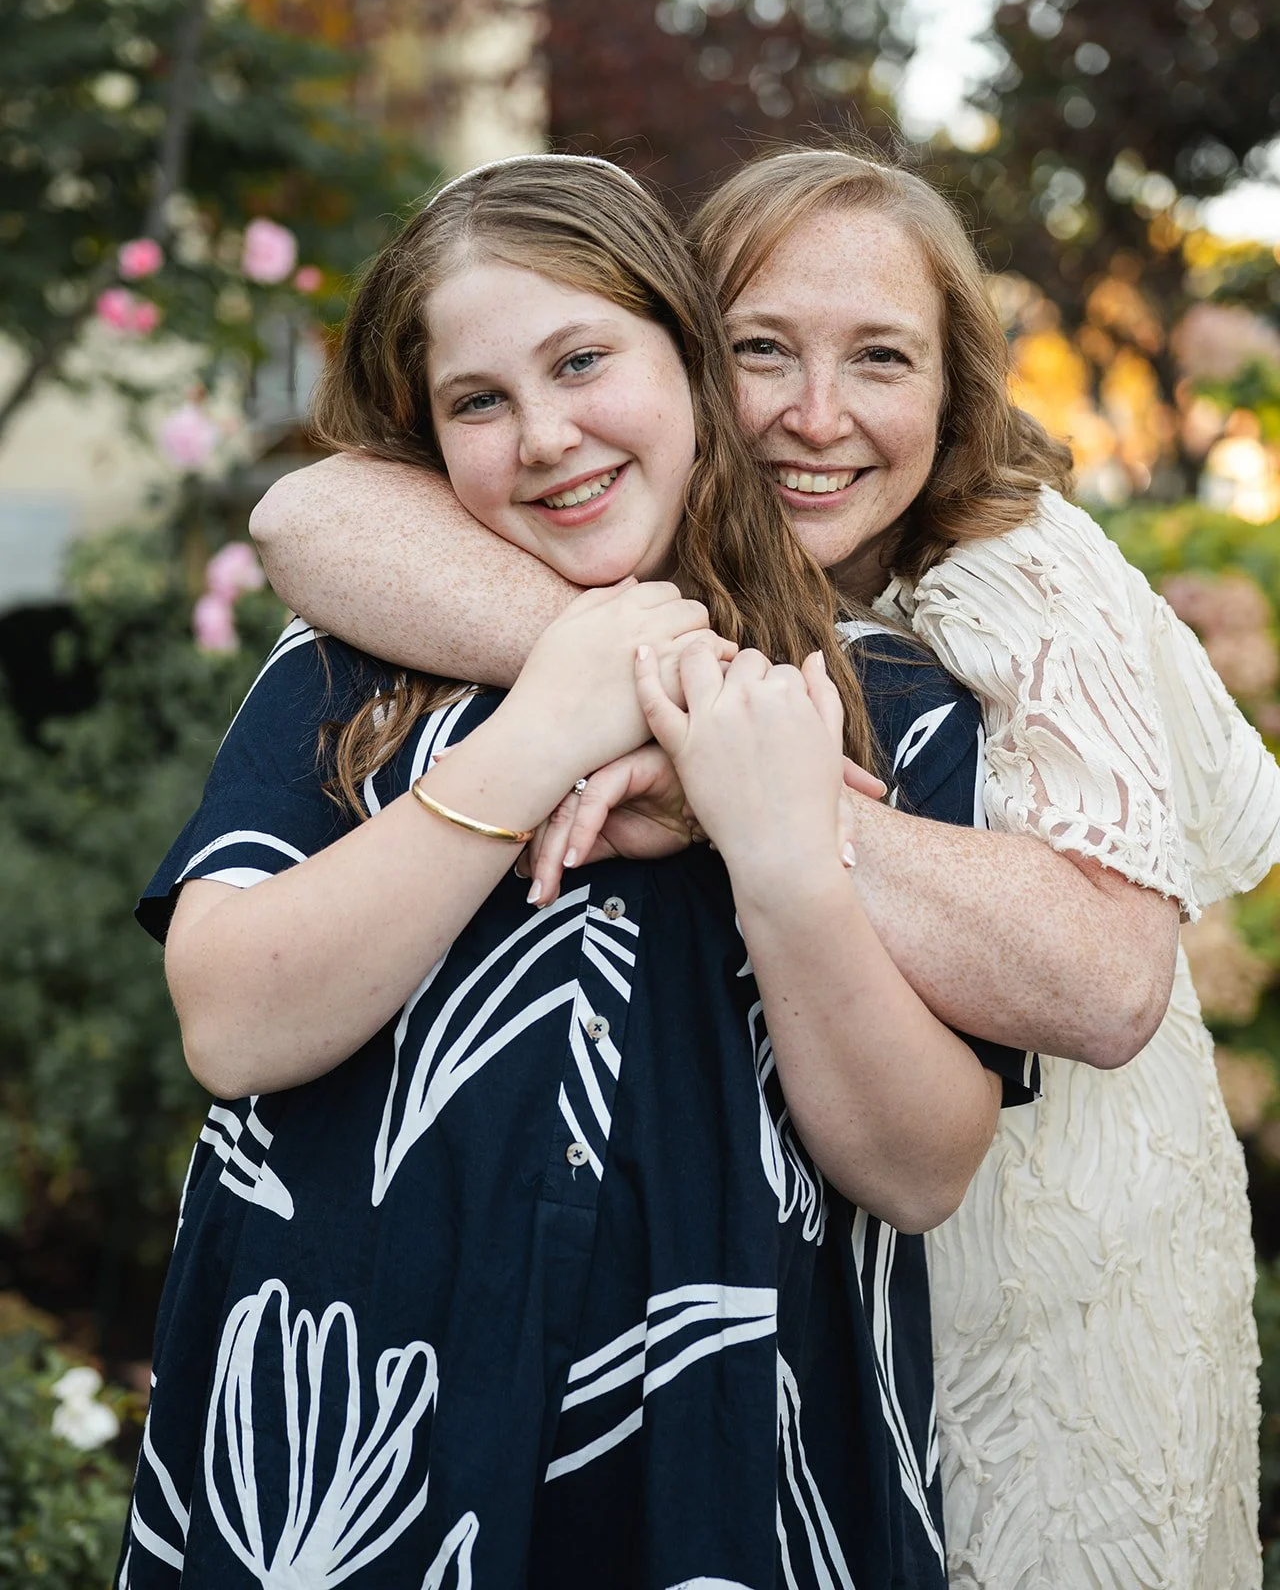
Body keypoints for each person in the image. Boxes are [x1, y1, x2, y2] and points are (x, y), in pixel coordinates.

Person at [249, 145, 1280, 1590]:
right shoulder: (699, 579)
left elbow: (1110, 982)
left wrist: (741, 780)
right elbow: (310, 517)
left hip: (1051, 1277)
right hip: (817, 1295)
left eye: (882, 359)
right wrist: (660, 678)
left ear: (955, 386)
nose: (818, 415)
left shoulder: (1012, 567)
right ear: (678, 356)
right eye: (761, 352)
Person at [118, 154, 1038, 1590]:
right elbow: (232, 1023)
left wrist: (783, 852)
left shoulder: (886, 707)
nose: (544, 435)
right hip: (346, 1440)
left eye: (584, 359)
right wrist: (552, 716)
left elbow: (920, 1170)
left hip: (719, 1442)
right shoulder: (363, 662)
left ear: (687, 363)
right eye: (477, 402)